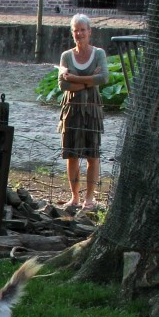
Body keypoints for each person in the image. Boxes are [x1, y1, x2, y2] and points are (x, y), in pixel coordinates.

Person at [58, 13, 108, 210]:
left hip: (92, 110)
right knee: (71, 154)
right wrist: (88, 80)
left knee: (92, 154)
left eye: (82, 30)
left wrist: (75, 79)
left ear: (90, 32)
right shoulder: (66, 56)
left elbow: (103, 78)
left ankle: (89, 199)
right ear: (72, 33)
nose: (79, 33)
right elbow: (63, 84)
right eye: (75, 30)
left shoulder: (99, 54)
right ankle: (74, 197)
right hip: (72, 109)